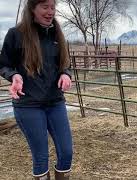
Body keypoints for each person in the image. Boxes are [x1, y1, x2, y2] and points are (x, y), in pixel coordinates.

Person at [0, 0, 73, 179]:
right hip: (28, 105)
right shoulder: (16, 34)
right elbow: (4, 65)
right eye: (45, 7)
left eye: (53, 7)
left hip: (55, 102)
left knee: (67, 152)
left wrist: (65, 74)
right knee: (41, 157)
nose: (50, 12)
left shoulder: (57, 34)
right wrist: (13, 76)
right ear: (33, 8)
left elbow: (65, 64)